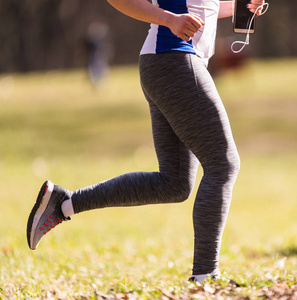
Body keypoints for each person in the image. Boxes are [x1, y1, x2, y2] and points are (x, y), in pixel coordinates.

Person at [27, 0, 265, 282]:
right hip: (174, 60)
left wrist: (241, 6)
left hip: (167, 63)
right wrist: (169, 19)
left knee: (174, 183)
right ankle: (205, 276)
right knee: (223, 165)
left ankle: (63, 203)